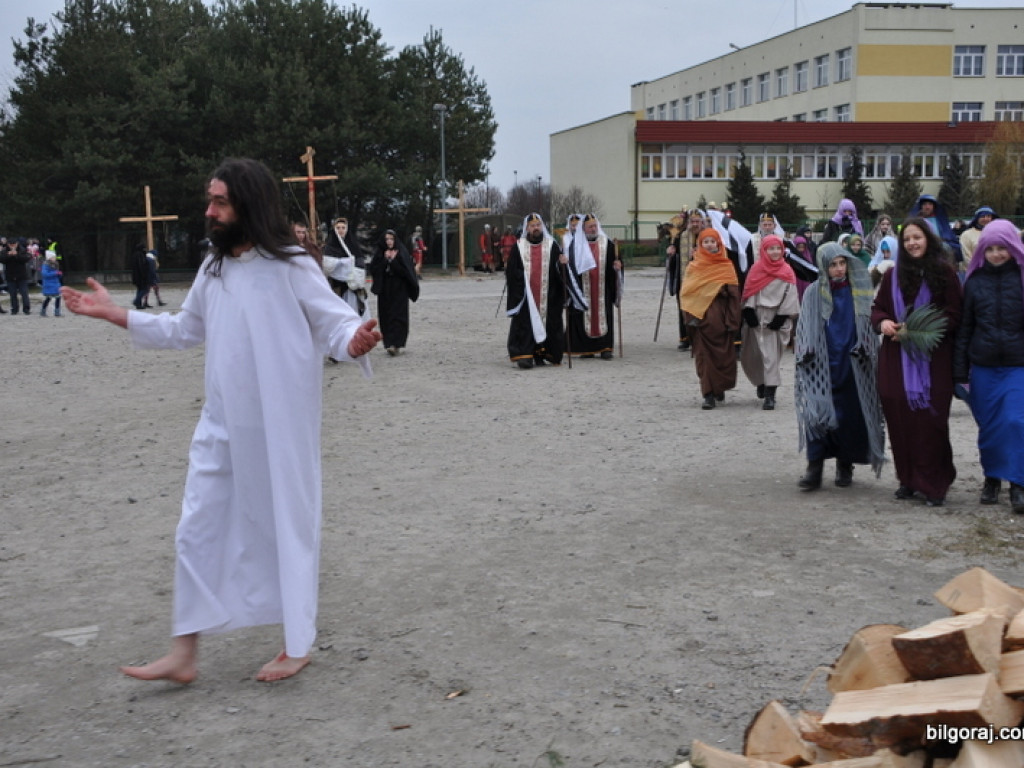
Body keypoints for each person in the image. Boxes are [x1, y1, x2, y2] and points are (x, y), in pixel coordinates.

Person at [60, 157, 381, 684]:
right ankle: (183, 653)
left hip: (280, 430)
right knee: (196, 528)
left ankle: (296, 643)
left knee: (286, 527)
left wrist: (354, 341)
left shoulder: (291, 264)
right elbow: (184, 329)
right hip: (221, 425)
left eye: (220, 202)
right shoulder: (214, 268)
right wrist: (116, 313)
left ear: (247, 205)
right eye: (209, 200)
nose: (209, 211)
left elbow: (334, 324)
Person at [870, 217, 962, 506]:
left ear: (928, 240)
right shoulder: (892, 275)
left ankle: (934, 483)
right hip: (895, 359)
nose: (912, 243)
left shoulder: (945, 273)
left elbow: (954, 314)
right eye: (907, 239)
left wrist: (918, 330)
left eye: (917, 237)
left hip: (932, 360)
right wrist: (883, 322)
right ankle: (908, 479)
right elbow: (877, 308)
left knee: (930, 421)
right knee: (900, 419)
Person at [794, 243, 886, 490]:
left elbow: (868, 324)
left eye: (842, 263)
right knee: (817, 414)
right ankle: (814, 468)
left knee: (849, 415)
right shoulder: (813, 292)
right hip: (820, 364)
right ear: (824, 266)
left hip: (852, 363)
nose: (839, 269)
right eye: (833, 264)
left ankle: (845, 464)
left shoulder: (858, 291)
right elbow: (805, 325)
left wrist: (866, 345)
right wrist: (806, 350)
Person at [953, 219, 1024, 513]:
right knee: (990, 427)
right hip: (983, 367)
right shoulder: (974, 282)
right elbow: (965, 329)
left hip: (1017, 366)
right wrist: (959, 371)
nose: (996, 254)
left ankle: (1018, 484)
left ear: (1013, 248)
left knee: (1016, 422)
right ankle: (992, 478)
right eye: (990, 249)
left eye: (1002, 248)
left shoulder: (1021, 279)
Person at [681, 228, 740, 409]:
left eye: (712, 241)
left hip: (721, 319)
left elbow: (734, 296)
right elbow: (686, 293)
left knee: (723, 358)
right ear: (700, 244)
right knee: (704, 358)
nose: (709, 245)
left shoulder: (726, 266)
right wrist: (691, 317)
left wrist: (732, 320)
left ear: (718, 243)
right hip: (701, 319)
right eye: (705, 242)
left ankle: (719, 387)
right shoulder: (694, 266)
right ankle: (708, 394)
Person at [740, 235, 800, 410]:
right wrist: (749, 311)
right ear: (764, 250)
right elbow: (750, 290)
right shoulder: (756, 270)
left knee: (771, 357)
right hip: (757, 317)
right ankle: (761, 381)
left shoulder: (787, 271)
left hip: (776, 319)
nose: (775, 252)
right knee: (754, 355)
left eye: (778, 248)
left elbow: (791, 294)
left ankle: (770, 394)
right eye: (771, 249)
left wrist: (781, 317)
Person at [505, 213, 566, 369]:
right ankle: (525, 355)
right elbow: (511, 271)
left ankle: (544, 354)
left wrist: (562, 264)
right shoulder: (519, 247)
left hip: (548, 294)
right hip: (526, 296)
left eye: (538, 225)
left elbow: (558, 270)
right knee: (525, 323)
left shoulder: (551, 246)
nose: (536, 228)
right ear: (527, 228)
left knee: (550, 322)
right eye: (532, 226)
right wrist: (522, 279)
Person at [567, 214, 622, 360]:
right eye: (590, 227)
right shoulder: (576, 245)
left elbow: (615, 263)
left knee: (604, 316)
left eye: (595, 226)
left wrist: (617, 267)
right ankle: (587, 349)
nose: (593, 229)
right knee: (584, 316)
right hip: (583, 289)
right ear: (583, 229)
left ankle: (605, 348)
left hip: (603, 289)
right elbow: (571, 269)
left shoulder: (607, 244)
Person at [369, 229, 419, 356]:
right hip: (385, 289)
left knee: (399, 316)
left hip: (399, 289)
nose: (389, 242)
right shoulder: (380, 253)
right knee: (385, 315)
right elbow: (374, 269)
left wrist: (394, 261)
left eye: (391, 239)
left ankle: (397, 343)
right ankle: (389, 343)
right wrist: (385, 260)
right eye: (387, 239)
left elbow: (406, 272)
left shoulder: (402, 252)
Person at [667, 208, 706, 350]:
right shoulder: (681, 236)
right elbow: (674, 255)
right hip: (684, 278)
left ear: (702, 222)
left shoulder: (708, 235)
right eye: (692, 221)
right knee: (684, 308)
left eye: (697, 221)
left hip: (702, 280)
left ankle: (702, 338)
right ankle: (685, 338)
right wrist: (671, 252)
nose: (695, 224)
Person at [322, 217, 369, 320]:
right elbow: (327, 265)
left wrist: (353, 266)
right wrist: (343, 263)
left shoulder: (353, 244)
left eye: (343, 228)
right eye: (338, 228)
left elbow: (360, 262)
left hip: (353, 288)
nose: (341, 230)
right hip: (337, 286)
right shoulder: (330, 247)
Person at [909, 194, 961, 264]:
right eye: (925, 204)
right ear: (921, 206)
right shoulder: (916, 221)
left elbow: (948, 236)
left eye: (930, 204)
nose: (927, 207)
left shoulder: (940, 220)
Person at [1, 237, 31, 314]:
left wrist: (17, 255)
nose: (12, 246)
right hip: (10, 275)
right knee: (12, 294)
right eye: (11, 245)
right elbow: (2, 260)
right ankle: (14, 309)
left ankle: (26, 309)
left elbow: (26, 258)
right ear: (8, 244)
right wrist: (9, 255)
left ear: (17, 244)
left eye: (14, 244)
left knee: (24, 293)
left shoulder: (22, 249)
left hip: (21, 275)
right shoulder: (4, 251)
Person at [39, 252, 63, 317]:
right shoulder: (45, 265)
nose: (55, 258)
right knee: (48, 298)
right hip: (49, 285)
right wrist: (55, 273)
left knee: (58, 297)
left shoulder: (55, 264)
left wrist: (59, 274)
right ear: (49, 258)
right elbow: (45, 274)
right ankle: (43, 311)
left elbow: (56, 275)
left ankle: (57, 312)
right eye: (53, 257)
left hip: (56, 284)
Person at [129, 244, 151, 310]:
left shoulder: (135, 255)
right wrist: (144, 275)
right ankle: (136, 301)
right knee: (144, 289)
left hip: (136, 275)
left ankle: (138, 304)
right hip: (140, 276)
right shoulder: (140, 255)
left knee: (139, 289)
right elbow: (141, 266)